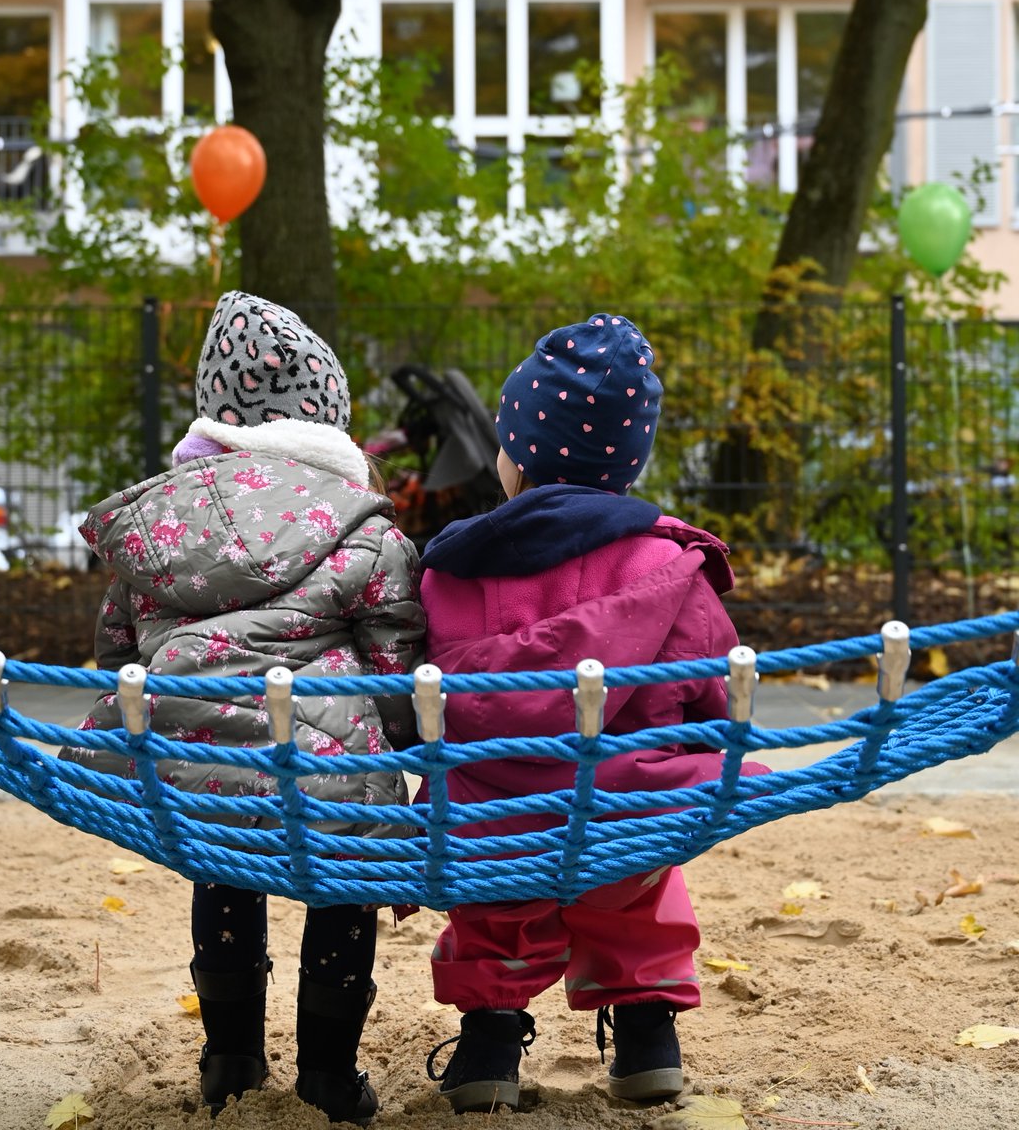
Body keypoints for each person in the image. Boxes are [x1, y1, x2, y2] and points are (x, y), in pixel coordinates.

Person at [59, 291, 426, 1126]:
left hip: (192, 760)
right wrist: (398, 745)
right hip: (327, 764)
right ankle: (330, 1073)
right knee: (346, 880)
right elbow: (396, 651)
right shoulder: (363, 525)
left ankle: (229, 1059)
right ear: (327, 426)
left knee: (225, 866)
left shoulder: (161, 529)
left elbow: (118, 648)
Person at [417, 311, 769, 1113]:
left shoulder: (451, 571)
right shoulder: (668, 563)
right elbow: (713, 696)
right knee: (642, 881)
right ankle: (649, 1041)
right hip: (623, 814)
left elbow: (416, 703)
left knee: (494, 897)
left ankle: (488, 1050)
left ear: (517, 455)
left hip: (490, 822)